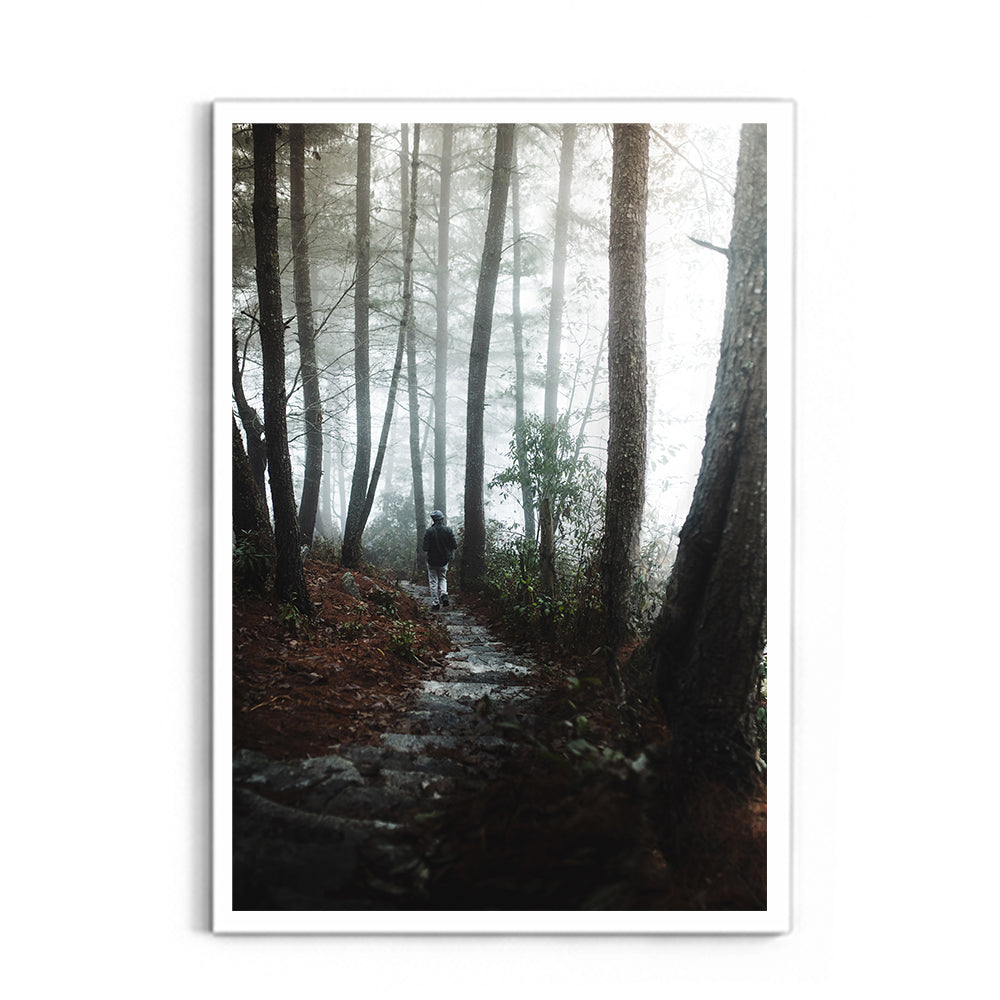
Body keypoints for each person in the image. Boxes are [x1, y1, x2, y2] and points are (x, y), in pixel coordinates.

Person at [422, 510, 457, 610]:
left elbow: (425, 548)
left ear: (433, 520)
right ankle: (444, 594)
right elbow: (454, 545)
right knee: (442, 578)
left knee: (433, 582)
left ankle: (436, 603)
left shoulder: (429, 531)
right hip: (444, 561)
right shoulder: (448, 530)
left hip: (432, 561)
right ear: (442, 519)